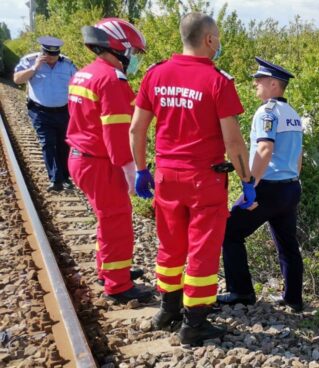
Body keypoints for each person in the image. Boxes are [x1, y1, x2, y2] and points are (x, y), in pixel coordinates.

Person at [130, 12, 256, 346]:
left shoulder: (155, 74)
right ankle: (194, 323)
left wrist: (142, 169)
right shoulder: (218, 81)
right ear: (209, 39)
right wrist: (246, 179)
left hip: (166, 176)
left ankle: (168, 309)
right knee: (202, 249)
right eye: (218, 38)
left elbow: (136, 129)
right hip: (204, 180)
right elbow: (233, 142)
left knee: (170, 244)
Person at [65, 18, 151, 303]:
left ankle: (109, 270)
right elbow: (116, 132)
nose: (134, 58)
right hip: (101, 162)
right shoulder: (112, 79)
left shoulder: (84, 73)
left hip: (81, 157)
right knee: (117, 222)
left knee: (107, 218)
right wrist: (131, 171)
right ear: (120, 46)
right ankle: (118, 285)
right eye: (133, 52)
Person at [217, 58, 305, 313]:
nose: (255, 83)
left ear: (274, 84)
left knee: (229, 232)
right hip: (290, 187)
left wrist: (250, 185)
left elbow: (264, 149)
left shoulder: (267, 112)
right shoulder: (293, 114)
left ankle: (241, 292)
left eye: (259, 80)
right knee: (287, 243)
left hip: (268, 188)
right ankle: (293, 298)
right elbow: (298, 155)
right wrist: (293, 180)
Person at [14, 36, 77, 192]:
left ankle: (65, 178)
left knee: (63, 145)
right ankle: (55, 180)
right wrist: (34, 68)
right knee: (47, 143)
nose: (51, 58)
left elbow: (78, 83)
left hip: (64, 112)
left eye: (54, 55)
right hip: (40, 111)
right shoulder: (29, 61)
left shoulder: (67, 64)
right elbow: (17, 79)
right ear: (42, 52)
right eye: (48, 54)